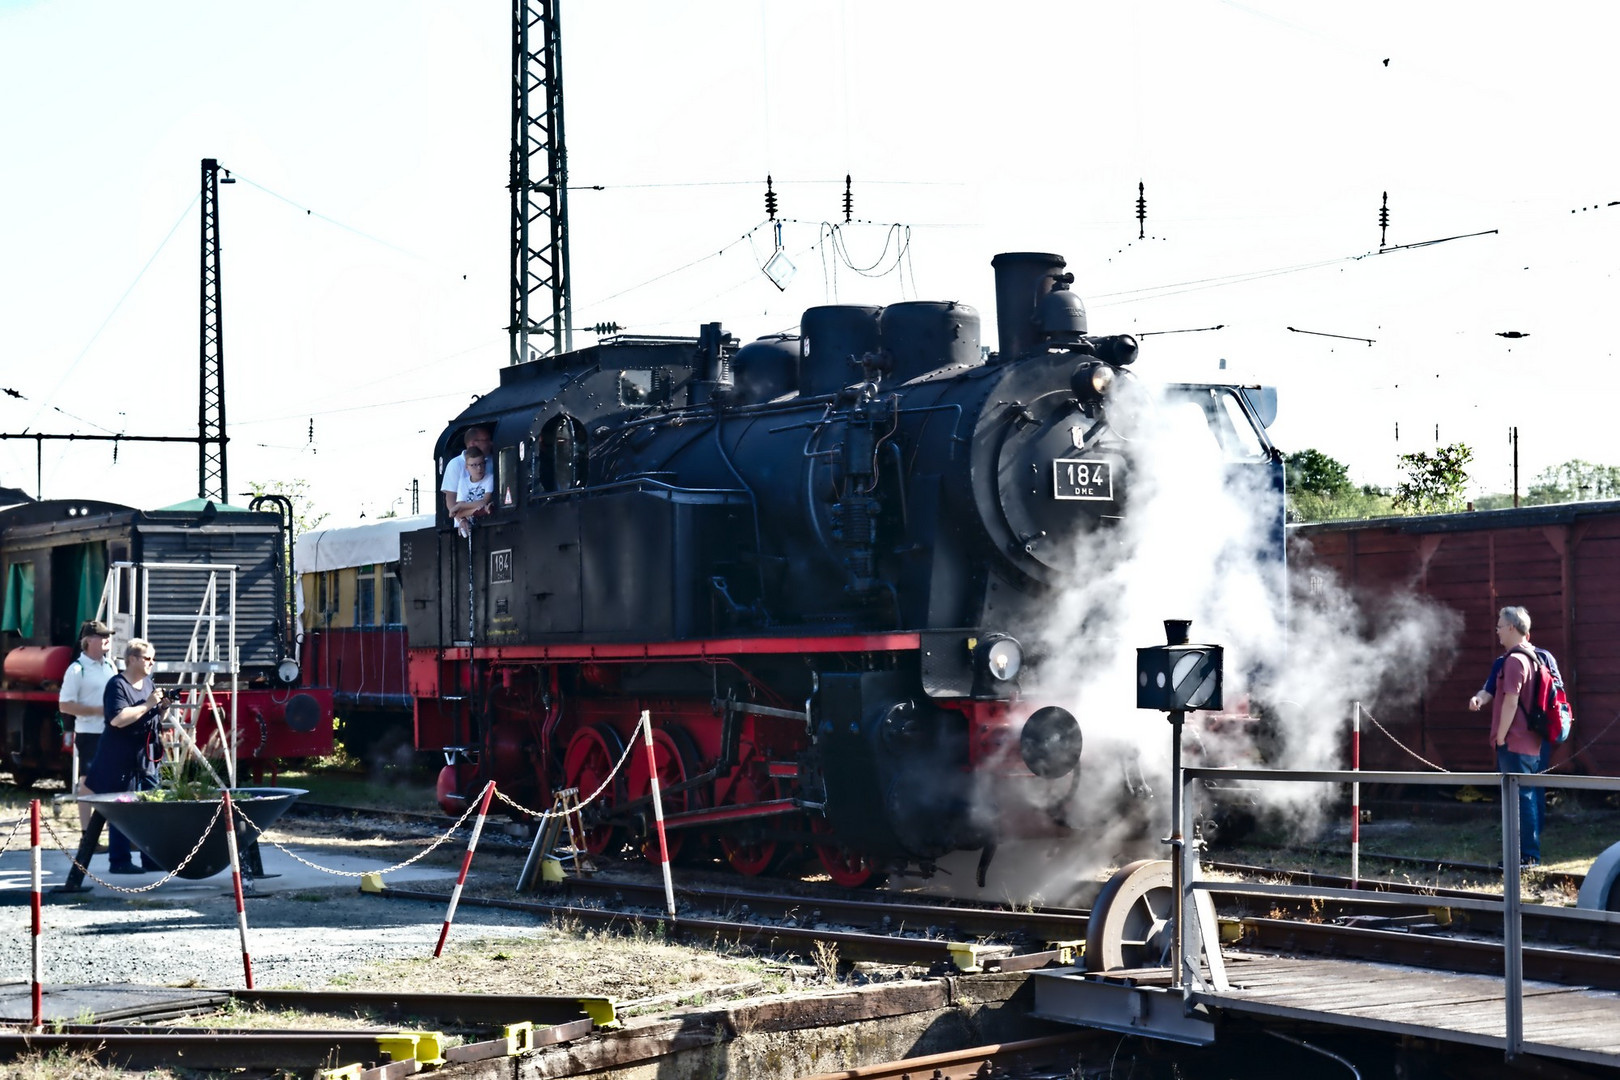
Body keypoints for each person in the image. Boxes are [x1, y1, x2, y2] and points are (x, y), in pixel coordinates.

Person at [80, 639, 166, 874]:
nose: (152, 663)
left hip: (145, 758)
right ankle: (119, 861)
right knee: (121, 809)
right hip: (118, 759)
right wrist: (149, 704)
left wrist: (162, 708)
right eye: (148, 658)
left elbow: (151, 715)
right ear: (132, 659)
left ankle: (150, 859)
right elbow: (117, 719)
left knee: (151, 807)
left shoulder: (148, 683)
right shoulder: (117, 685)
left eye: (153, 658)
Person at [1477, 606, 1546, 868]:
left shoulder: (1515, 661)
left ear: (1510, 628)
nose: (1496, 631)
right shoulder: (1533, 657)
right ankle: (1523, 855)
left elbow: (1510, 702)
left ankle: (1526, 857)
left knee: (1520, 799)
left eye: (1499, 625)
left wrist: (1502, 737)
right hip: (1529, 741)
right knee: (1524, 797)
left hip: (1515, 741)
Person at [57, 620, 118, 831]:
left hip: (111, 731)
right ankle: (86, 833)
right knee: (88, 783)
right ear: (89, 641)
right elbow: (64, 705)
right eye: (102, 636)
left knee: (113, 782)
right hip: (89, 733)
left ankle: (115, 832)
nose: (107, 640)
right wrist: (97, 710)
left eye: (108, 636)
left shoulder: (110, 665)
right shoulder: (77, 669)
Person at [440, 425, 493, 515]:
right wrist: (461, 520)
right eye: (486, 440)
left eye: (481, 464)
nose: (491, 443)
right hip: (463, 523)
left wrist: (461, 507)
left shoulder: (491, 461)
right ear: (473, 443)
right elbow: (451, 500)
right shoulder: (455, 464)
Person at [449, 444, 494, 537]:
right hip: (467, 526)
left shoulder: (490, 478)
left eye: (482, 464)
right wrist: (475, 510)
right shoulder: (463, 482)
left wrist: (461, 506)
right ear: (467, 467)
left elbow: (484, 501)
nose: (479, 468)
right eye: (474, 465)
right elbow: (459, 512)